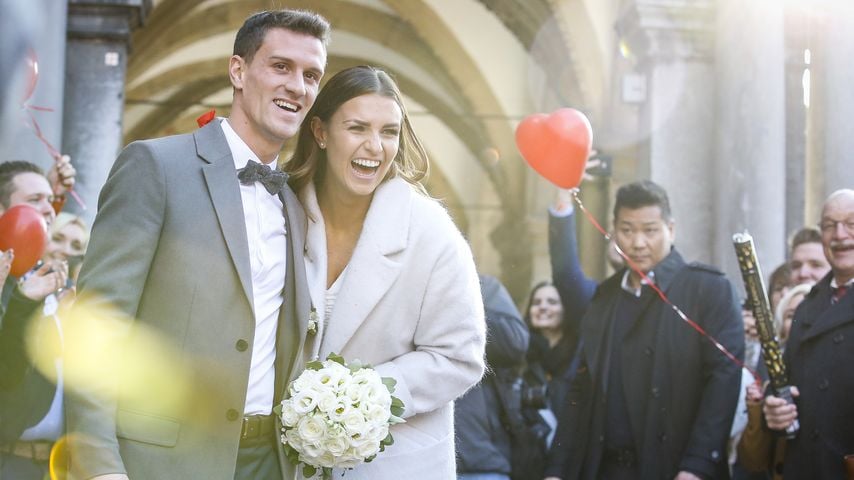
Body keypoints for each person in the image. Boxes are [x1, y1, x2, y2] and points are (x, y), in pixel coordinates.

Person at [65, 9, 329, 480]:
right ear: (238, 71)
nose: (298, 86)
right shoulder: (156, 166)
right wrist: (100, 465)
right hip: (158, 462)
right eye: (281, 66)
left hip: (268, 464)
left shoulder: (294, 202)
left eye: (311, 75)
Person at [286, 65, 486, 479]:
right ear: (320, 132)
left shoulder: (431, 231)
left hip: (394, 464)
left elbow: (459, 356)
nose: (374, 147)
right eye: (357, 128)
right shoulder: (278, 214)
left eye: (389, 132)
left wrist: (363, 395)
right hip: (281, 462)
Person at [544, 180, 744, 480]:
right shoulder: (605, 297)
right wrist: (557, 470)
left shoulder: (708, 290)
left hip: (676, 469)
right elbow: (582, 390)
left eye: (650, 231)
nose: (638, 243)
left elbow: (723, 381)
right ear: (613, 231)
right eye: (627, 230)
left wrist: (697, 466)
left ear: (671, 229)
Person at [763, 188, 854, 479]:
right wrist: (774, 406)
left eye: (851, 224)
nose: (840, 235)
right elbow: (785, 378)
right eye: (829, 225)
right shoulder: (807, 306)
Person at [455, 275, 529, 480]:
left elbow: (515, 341)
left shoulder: (481, 286)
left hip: (481, 461)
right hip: (422, 462)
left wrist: (460, 303)